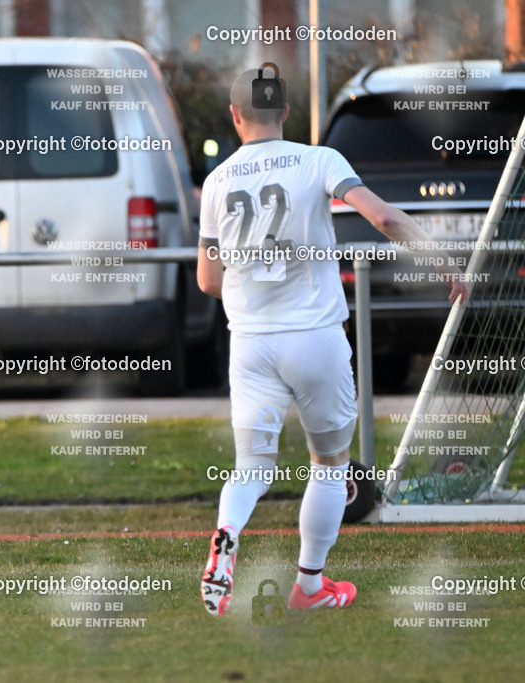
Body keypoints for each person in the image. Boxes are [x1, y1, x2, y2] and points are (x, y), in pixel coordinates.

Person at [196, 69, 466, 615]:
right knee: (330, 466)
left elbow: (207, 279)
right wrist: (441, 259)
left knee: (251, 464)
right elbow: (383, 216)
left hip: (250, 343)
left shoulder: (219, 180)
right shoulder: (318, 159)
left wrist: (251, 284)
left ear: (234, 115)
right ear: (286, 114)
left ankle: (226, 538)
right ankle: (311, 585)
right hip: (314, 337)